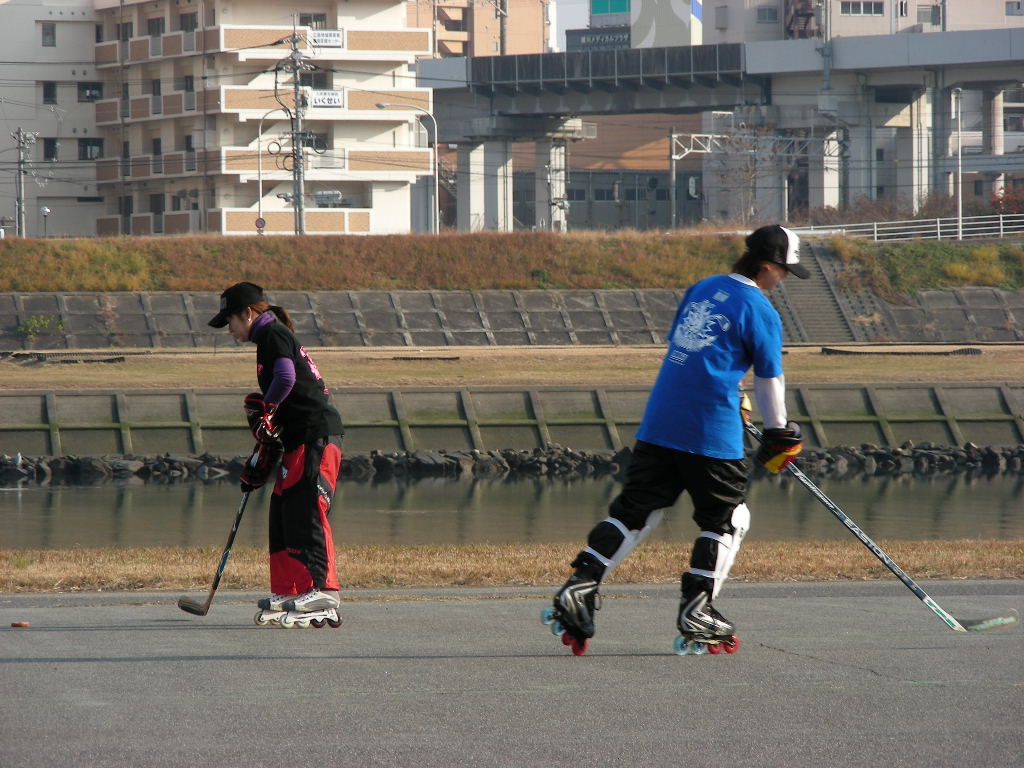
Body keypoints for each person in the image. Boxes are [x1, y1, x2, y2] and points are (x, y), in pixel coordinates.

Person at [547, 224, 807, 655]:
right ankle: (698, 609)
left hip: (661, 420)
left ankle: (580, 586)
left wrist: (733, 393)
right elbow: (769, 377)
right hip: (708, 429)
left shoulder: (703, 288)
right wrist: (779, 431)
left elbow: (696, 353)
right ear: (767, 266)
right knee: (726, 519)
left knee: (636, 512)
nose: (782, 280)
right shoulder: (759, 308)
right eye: (783, 271)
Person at [208, 281, 346, 629]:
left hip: (317, 435)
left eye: (232, 321)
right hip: (298, 438)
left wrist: (267, 410)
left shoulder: (272, 335)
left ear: (249, 313)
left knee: (307, 511)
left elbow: (285, 377)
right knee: (283, 511)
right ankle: (291, 588)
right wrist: (265, 449)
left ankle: (324, 590)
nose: (231, 330)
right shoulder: (268, 339)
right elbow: (284, 395)